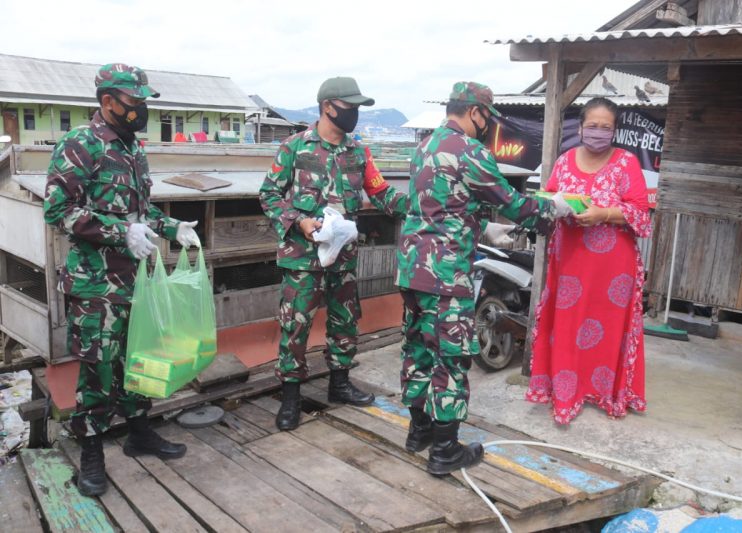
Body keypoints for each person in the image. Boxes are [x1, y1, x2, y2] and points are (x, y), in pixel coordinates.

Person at [396, 82, 574, 476]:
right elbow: (514, 204)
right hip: (446, 274)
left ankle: (418, 431)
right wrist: (553, 209)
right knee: (452, 356)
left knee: (419, 350)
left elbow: (446, 206)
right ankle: (444, 452)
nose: (485, 127)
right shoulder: (470, 151)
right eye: (485, 119)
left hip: (412, 269)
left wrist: (482, 229)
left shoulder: (425, 146)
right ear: (474, 112)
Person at [43, 64, 202, 496]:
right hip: (95, 285)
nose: (142, 110)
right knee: (97, 368)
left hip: (136, 280)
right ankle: (91, 451)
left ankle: (138, 432)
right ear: (108, 101)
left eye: (145, 102)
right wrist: (118, 232)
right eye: (135, 103)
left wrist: (171, 229)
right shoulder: (80, 144)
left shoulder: (133, 149)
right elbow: (60, 212)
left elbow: (140, 214)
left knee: (139, 358)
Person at [260, 77, 408, 431]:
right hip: (302, 255)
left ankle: (339, 384)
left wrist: (419, 205)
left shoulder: (359, 152)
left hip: (344, 254)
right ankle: (291, 396)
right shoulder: (294, 148)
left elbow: (381, 192)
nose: (355, 114)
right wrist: (300, 222)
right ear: (328, 106)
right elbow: (269, 196)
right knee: (296, 324)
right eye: (351, 107)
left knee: (345, 318)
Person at [526, 97, 652, 425]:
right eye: (592, 126)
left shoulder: (626, 163)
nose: (598, 132)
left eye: (605, 127)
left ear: (615, 131)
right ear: (581, 127)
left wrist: (604, 213)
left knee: (607, 328)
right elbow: (551, 197)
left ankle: (606, 393)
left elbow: (641, 212)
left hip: (613, 269)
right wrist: (554, 206)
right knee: (568, 328)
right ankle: (567, 394)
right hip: (569, 262)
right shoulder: (565, 160)